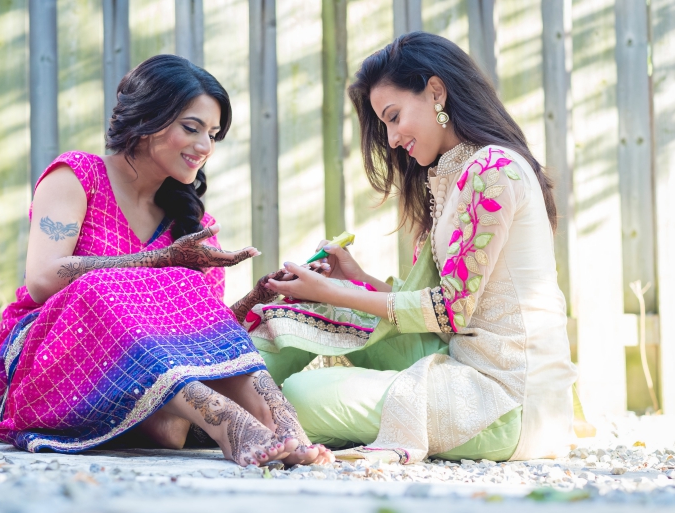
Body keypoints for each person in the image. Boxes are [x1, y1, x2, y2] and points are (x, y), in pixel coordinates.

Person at [0, 55, 332, 467]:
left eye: (214, 134)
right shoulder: (78, 176)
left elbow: (196, 337)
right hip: (42, 367)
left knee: (173, 414)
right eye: (191, 127)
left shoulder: (192, 225)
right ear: (148, 118)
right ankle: (228, 424)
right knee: (111, 285)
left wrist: (259, 297)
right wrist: (160, 259)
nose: (205, 147)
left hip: (137, 383)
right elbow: (41, 278)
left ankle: (282, 425)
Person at [246, 32, 578, 464]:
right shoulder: (455, 176)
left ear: (436, 91)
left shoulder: (492, 171)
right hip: (461, 358)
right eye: (384, 123)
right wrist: (355, 281)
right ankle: (214, 398)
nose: (390, 139)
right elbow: (444, 314)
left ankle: (225, 416)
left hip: (508, 399)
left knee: (302, 395)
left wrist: (328, 290)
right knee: (312, 314)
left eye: (393, 116)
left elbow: (450, 311)